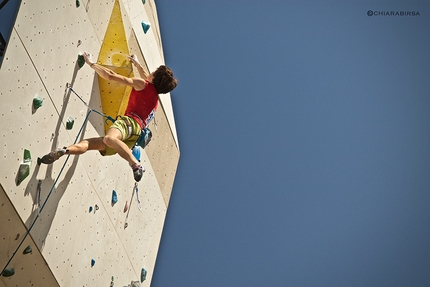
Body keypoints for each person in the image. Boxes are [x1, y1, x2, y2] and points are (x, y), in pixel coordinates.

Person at [39, 52, 178, 182]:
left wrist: (91, 63)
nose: (150, 73)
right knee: (89, 144)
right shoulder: (155, 101)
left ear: (154, 78)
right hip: (133, 137)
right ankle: (64, 150)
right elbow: (147, 76)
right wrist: (136, 64)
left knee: (109, 138)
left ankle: (136, 164)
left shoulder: (143, 84)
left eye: (153, 72)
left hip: (128, 123)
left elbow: (111, 75)